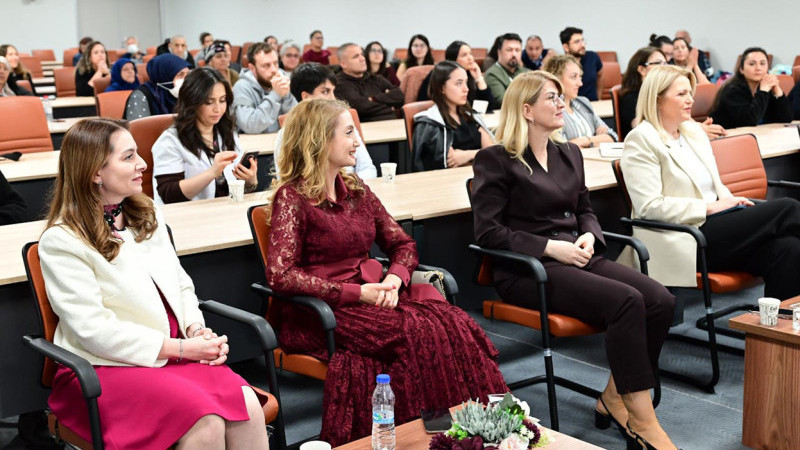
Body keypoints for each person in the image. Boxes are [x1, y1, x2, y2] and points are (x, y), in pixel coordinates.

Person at [266, 97, 507, 446]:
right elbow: (281, 275)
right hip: (319, 312)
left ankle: (480, 427)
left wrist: (394, 279)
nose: (357, 141)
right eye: (349, 133)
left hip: (372, 297)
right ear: (319, 140)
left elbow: (403, 244)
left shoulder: (357, 189)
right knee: (418, 331)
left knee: (452, 321)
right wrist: (356, 293)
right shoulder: (293, 197)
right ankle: (440, 433)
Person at [471, 70, 678, 450]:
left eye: (560, 96)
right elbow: (488, 233)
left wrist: (589, 234)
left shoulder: (568, 152)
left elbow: (585, 210)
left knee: (660, 300)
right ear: (527, 110)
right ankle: (643, 420)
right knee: (627, 301)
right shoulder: (495, 160)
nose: (561, 104)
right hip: (530, 269)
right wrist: (549, 248)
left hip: (577, 255)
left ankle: (614, 397)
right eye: (552, 98)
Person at [38, 117, 269, 449]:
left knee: (248, 408)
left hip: (172, 352)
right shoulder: (62, 240)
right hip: (105, 364)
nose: (142, 163)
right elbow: (93, 330)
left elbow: (181, 285)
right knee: (204, 425)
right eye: (129, 156)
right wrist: (181, 348)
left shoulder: (147, 214)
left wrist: (195, 329)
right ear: (95, 172)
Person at [623, 64, 800, 300]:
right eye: (681, 94)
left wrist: (728, 201)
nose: (690, 99)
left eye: (690, 92)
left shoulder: (692, 132)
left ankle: (779, 322)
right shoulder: (641, 139)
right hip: (685, 235)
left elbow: (714, 185)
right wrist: (709, 207)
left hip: (717, 226)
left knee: (789, 248)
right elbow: (649, 207)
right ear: (657, 100)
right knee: (788, 207)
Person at [152, 67, 258, 204]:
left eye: (222, 100)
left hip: (225, 211)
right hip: (187, 214)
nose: (218, 109)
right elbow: (169, 195)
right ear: (192, 102)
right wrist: (212, 172)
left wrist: (250, 181)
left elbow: (237, 189)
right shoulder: (170, 141)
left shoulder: (226, 133)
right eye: (209, 102)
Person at [273, 62, 376, 179]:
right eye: (325, 92)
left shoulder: (345, 123)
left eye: (333, 91)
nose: (333, 98)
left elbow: (368, 168)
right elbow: (284, 179)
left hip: (352, 186)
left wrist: (348, 185)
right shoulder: (286, 134)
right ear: (306, 97)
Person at [412, 61, 494, 171]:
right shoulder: (431, 124)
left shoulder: (470, 115)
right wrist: (480, 155)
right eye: (459, 83)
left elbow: (493, 152)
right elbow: (446, 165)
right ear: (441, 88)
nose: (466, 89)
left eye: (466, 82)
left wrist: (468, 155)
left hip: (479, 175)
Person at [543, 54, 617, 147]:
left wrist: (586, 141)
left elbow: (613, 136)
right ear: (556, 80)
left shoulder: (583, 102)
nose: (580, 83)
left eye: (580, 77)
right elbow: (562, 147)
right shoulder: (552, 110)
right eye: (573, 77)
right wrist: (597, 139)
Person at [710, 47, 792, 129]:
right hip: (728, 135)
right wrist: (763, 91)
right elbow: (749, 121)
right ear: (741, 69)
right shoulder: (732, 91)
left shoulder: (765, 88)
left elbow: (786, 119)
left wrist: (777, 91)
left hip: (758, 134)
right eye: (752, 64)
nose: (758, 68)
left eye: (762, 64)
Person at [232, 42, 296, 134]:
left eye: (275, 63)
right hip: (252, 142)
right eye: (266, 65)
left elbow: (298, 120)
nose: (274, 70)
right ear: (252, 68)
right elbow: (250, 126)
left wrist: (287, 96)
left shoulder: (280, 80)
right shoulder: (242, 87)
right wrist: (276, 94)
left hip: (277, 140)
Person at [417, 40, 498, 112]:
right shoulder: (438, 74)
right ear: (453, 60)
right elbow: (423, 104)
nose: (470, 58)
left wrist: (479, 79)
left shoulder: (470, 74)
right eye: (464, 55)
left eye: (470, 54)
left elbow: (489, 107)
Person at [334, 43, 404, 122]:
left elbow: (400, 96)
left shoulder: (375, 78)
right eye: (356, 56)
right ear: (343, 64)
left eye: (362, 54)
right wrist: (389, 106)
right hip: (367, 125)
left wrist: (374, 99)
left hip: (393, 122)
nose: (362, 59)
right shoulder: (340, 83)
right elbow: (361, 108)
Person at [124, 53, 190, 120]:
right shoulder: (140, 95)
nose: (185, 79)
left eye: (187, 74)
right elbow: (138, 126)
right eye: (180, 75)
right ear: (165, 75)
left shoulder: (187, 94)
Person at [484, 33, 530, 105]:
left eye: (517, 50)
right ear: (499, 52)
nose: (514, 54)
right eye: (509, 50)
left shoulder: (527, 72)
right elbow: (503, 101)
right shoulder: (492, 74)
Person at [560, 27, 603, 101]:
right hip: (571, 105)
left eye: (582, 40)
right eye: (577, 42)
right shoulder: (560, 64)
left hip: (593, 103)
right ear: (566, 47)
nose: (582, 45)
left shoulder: (593, 57)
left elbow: (600, 76)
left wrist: (599, 98)